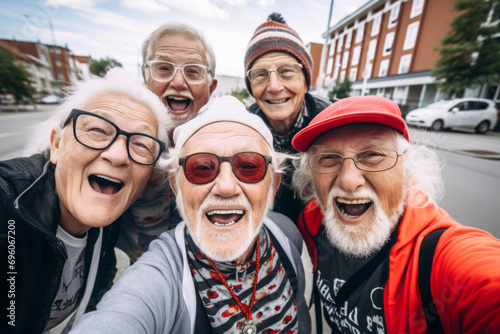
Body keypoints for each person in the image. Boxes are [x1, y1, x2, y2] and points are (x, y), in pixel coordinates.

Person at [70, 96, 311, 334]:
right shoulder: (160, 276)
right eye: (202, 168)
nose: (226, 187)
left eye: (249, 166)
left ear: (274, 185)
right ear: (176, 186)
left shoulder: (285, 234)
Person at [291, 95, 500, 333]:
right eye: (328, 158)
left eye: (372, 155)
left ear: (407, 170)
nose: (349, 181)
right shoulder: (313, 221)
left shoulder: (443, 257)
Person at [1, 68, 170, 334]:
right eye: (98, 130)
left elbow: (102, 276)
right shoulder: (8, 201)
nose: (117, 155)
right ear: (56, 145)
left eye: (141, 144)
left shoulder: (109, 211)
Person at [117, 22, 219, 263]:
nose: (179, 82)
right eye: (164, 68)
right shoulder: (117, 144)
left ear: (211, 87)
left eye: (193, 71)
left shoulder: (226, 144)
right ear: (145, 79)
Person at [244, 12, 332, 222]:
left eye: (286, 72)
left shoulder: (331, 123)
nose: (274, 87)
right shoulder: (244, 126)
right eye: (260, 74)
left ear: (305, 81)